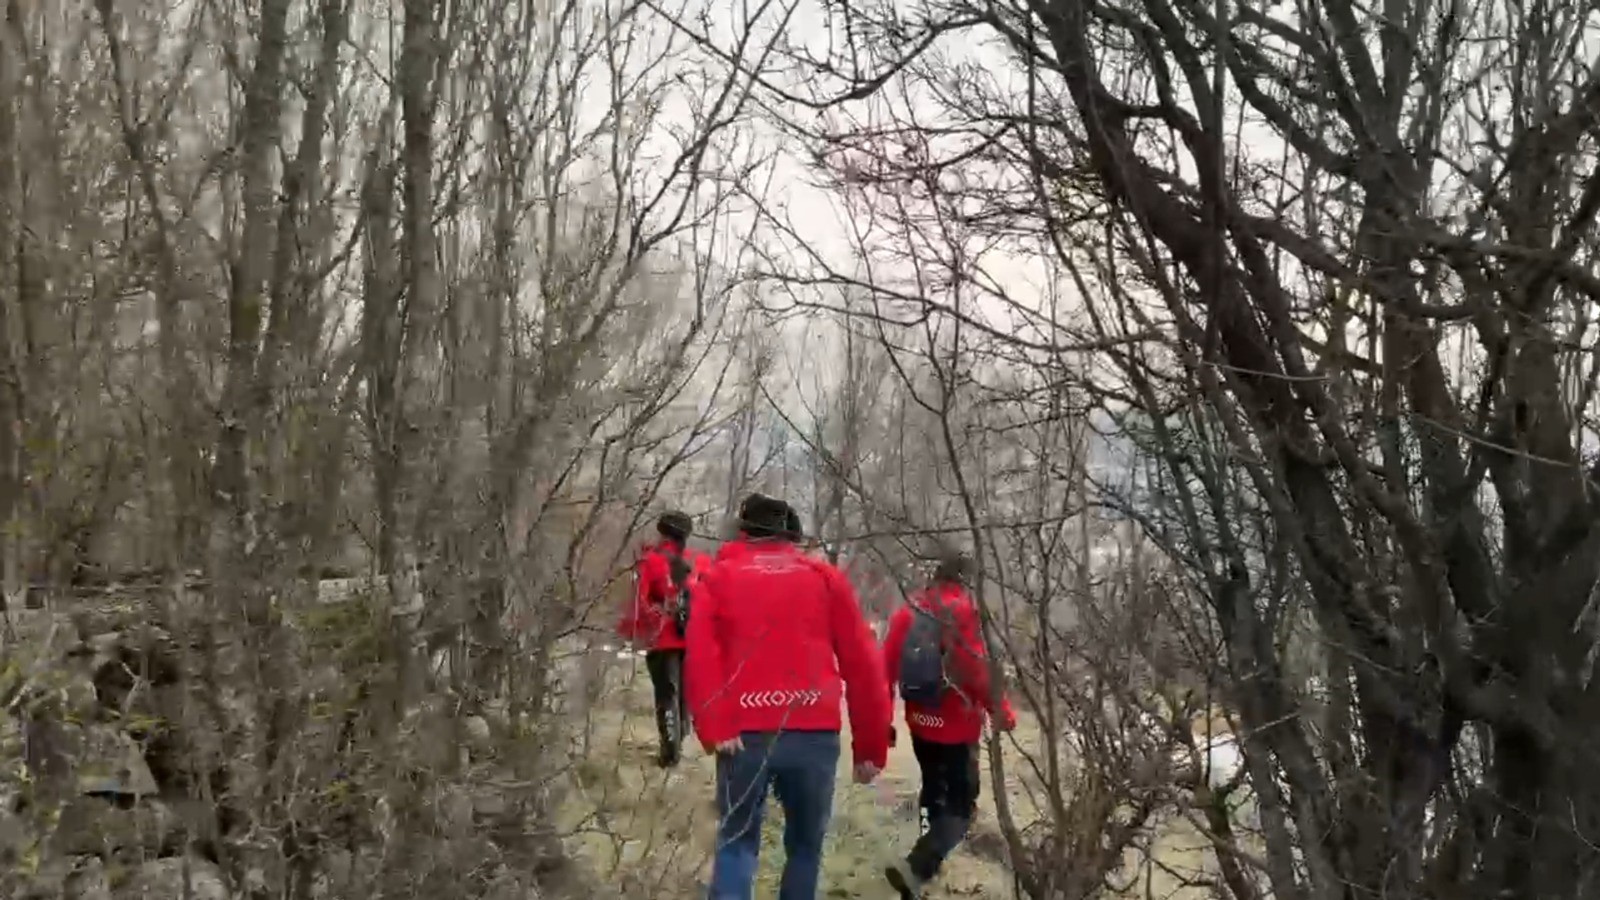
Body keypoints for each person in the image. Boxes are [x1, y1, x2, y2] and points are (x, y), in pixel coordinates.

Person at [686, 493, 892, 900]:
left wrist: (715, 724)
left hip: (743, 735)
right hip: (814, 733)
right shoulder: (825, 577)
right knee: (805, 848)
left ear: (743, 532)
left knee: (737, 843)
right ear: (793, 536)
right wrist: (870, 746)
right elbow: (863, 662)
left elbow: (700, 654)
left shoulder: (717, 577)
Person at [880, 551, 1017, 899]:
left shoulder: (909, 611)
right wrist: (1001, 710)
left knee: (933, 789)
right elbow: (976, 670)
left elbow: (884, 668)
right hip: (958, 726)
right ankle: (917, 866)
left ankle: (925, 868)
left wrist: (883, 719)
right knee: (962, 804)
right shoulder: (964, 613)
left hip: (920, 720)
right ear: (965, 580)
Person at [618, 510, 703, 768]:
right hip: (692, 637)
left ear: (662, 531)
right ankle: (681, 739)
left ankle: (669, 753)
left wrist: (637, 630)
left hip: (662, 639)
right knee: (684, 696)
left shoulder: (651, 560)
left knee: (666, 695)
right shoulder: (697, 561)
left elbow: (639, 601)